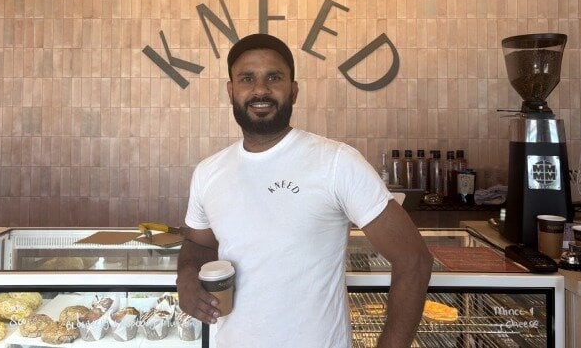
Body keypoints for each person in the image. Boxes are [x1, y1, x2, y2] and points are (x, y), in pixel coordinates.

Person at [176, 33, 433, 348]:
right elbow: (198, 243)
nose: (260, 89)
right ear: (231, 91)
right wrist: (186, 275)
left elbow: (414, 259)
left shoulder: (337, 162)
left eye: (274, 77)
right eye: (247, 78)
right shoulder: (208, 172)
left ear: (293, 90)